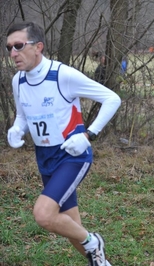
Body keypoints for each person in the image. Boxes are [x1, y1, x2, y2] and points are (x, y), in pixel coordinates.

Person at [6, 22, 121, 266]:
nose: (13, 53)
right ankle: (101, 263)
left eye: (18, 46)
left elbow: (112, 98)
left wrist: (89, 134)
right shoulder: (18, 81)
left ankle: (94, 241)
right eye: (9, 48)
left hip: (72, 156)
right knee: (71, 226)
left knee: (44, 215)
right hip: (45, 158)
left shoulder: (63, 75)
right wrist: (17, 129)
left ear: (38, 47)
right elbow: (23, 116)